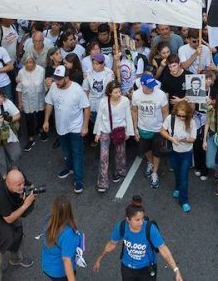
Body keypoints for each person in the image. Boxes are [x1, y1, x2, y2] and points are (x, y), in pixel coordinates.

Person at [92, 196, 184, 281]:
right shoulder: (122, 227)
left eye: (142, 219)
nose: (141, 223)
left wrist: (176, 270)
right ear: (128, 220)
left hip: (147, 269)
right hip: (127, 269)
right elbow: (111, 244)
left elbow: (163, 249)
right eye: (137, 220)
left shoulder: (150, 229)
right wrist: (99, 259)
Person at [45, 64, 91, 193]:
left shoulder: (77, 89)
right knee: (66, 150)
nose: (57, 81)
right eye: (55, 78)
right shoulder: (54, 87)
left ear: (67, 77)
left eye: (60, 79)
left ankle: (78, 180)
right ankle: (69, 167)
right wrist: (46, 120)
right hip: (61, 127)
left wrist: (85, 126)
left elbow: (86, 108)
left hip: (75, 127)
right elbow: (49, 103)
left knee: (77, 153)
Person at [0, 169, 38, 278]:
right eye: (19, 185)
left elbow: (31, 185)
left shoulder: (19, 179)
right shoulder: (0, 195)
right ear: (8, 183)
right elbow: (9, 219)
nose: (23, 186)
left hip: (11, 211)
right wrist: (25, 204)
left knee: (18, 235)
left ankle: (16, 259)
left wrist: (30, 191)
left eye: (23, 182)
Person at [94, 80, 135, 193]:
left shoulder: (125, 101)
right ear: (110, 93)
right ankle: (102, 182)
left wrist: (128, 132)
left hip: (120, 131)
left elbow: (128, 116)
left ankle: (119, 171)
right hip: (105, 130)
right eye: (116, 92)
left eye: (119, 91)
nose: (119, 94)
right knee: (103, 157)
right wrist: (98, 133)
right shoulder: (103, 102)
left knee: (120, 153)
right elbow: (99, 117)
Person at [132, 73, 169, 189]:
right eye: (149, 86)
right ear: (142, 85)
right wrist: (135, 128)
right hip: (143, 128)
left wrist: (166, 128)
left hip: (158, 129)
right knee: (145, 149)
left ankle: (155, 172)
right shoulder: (136, 95)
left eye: (153, 85)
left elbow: (165, 112)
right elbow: (134, 110)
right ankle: (151, 162)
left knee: (157, 152)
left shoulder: (161, 95)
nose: (151, 88)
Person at [160, 99, 198, 212]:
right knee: (177, 172)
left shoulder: (192, 122)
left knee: (184, 176)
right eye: (179, 115)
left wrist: (185, 139)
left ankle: (184, 200)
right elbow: (162, 130)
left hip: (186, 152)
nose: (181, 118)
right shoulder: (170, 118)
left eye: (184, 116)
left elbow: (193, 138)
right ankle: (177, 187)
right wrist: (171, 138)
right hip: (173, 151)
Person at [40, 195, 83, 281]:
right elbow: (66, 260)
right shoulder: (68, 233)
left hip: (47, 265)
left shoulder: (49, 219)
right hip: (60, 272)